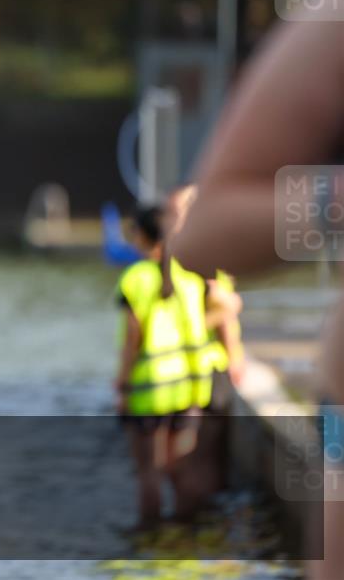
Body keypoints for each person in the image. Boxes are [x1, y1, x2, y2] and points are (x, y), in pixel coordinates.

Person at [170, 17, 344, 579]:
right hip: (176, 396)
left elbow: (222, 319)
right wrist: (334, 196)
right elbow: (208, 229)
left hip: (189, 390)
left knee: (180, 483)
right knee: (174, 481)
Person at [115, 205, 237, 529]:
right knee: (180, 467)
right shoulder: (190, 276)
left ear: (141, 236)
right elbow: (224, 309)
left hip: (147, 390)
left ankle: (151, 537)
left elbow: (132, 337)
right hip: (186, 388)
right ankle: (187, 534)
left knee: (148, 472)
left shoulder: (136, 278)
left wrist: (122, 385)